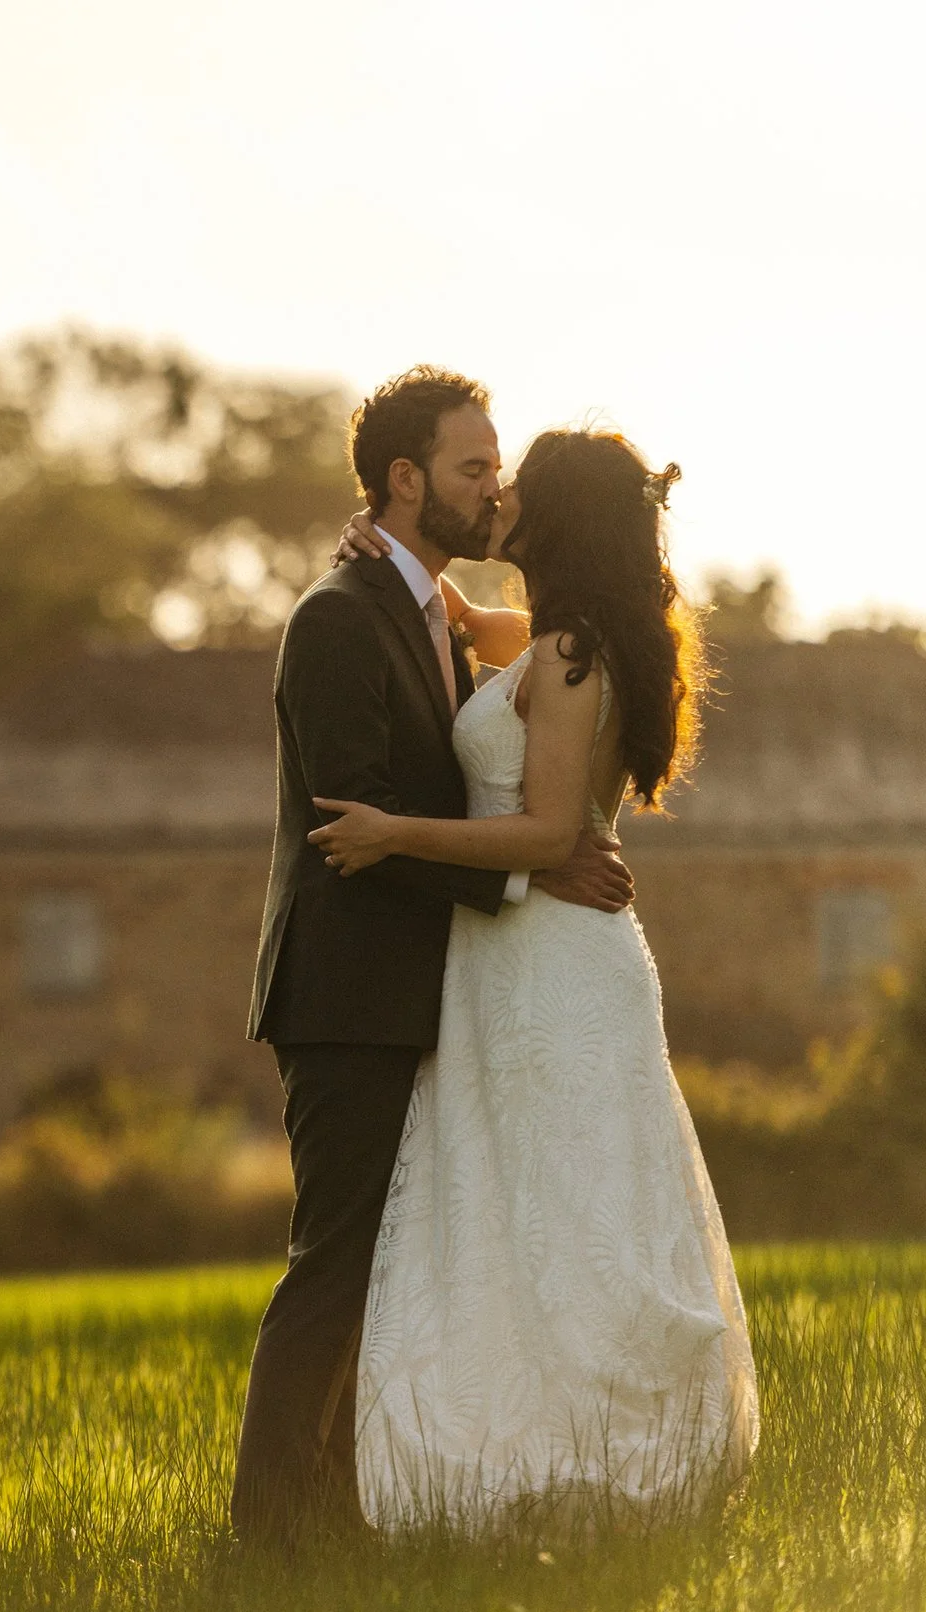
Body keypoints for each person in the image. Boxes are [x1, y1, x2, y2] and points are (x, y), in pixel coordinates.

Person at [307, 424, 759, 1533]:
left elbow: (548, 828)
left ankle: (591, 1460)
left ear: (552, 515)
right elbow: (469, 632)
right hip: (517, 965)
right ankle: (536, 1440)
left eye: (516, 483)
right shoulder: (559, 638)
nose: (496, 494)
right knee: (518, 1209)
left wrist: (391, 832)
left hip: (553, 969)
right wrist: (411, 574)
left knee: (569, 1210)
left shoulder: (567, 655)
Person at [232, 366, 636, 1549]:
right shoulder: (334, 618)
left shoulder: (426, 614)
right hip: (345, 997)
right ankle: (265, 1537)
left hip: (427, 991)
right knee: (335, 1263)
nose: (492, 487)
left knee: (392, 1263)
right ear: (404, 480)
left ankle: (341, 1517)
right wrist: (530, 867)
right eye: (471, 468)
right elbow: (349, 824)